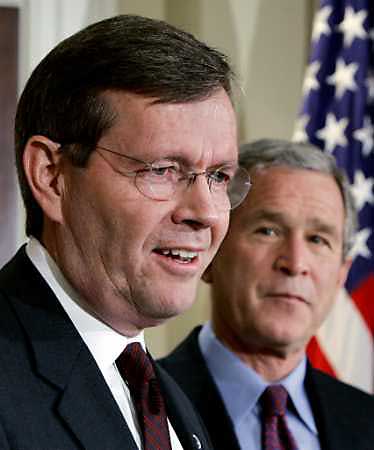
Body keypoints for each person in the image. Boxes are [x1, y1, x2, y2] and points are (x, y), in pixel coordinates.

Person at [0, 14, 251, 450]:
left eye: (219, 176)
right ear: (52, 176)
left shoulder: (170, 402)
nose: (206, 214)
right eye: (163, 170)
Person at [160, 139, 374, 450]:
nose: (295, 263)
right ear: (209, 254)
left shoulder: (367, 421)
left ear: (342, 273)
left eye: (318, 239)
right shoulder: (144, 401)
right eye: (268, 231)